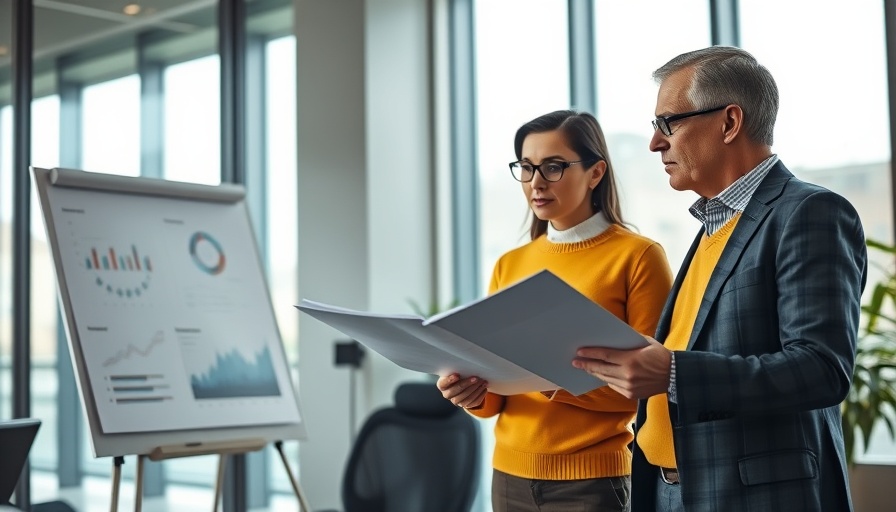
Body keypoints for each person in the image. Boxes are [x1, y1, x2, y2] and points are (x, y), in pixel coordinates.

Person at [572, 46, 868, 512]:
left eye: (667, 123)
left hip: (752, 496)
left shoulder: (809, 212)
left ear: (729, 122)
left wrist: (672, 372)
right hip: (666, 489)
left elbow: (820, 369)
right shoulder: (713, 225)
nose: (655, 143)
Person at [437, 110, 674, 512]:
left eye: (553, 167)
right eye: (526, 168)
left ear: (595, 172)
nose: (536, 182)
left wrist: (552, 380)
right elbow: (495, 401)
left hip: (592, 481)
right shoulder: (509, 265)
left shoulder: (637, 257)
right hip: (508, 477)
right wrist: (469, 393)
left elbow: (651, 389)